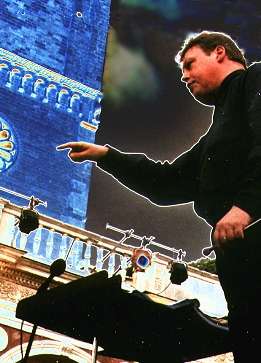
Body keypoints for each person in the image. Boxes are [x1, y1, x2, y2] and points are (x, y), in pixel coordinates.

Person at [57, 31, 261, 362]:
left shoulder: (255, 79)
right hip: (239, 255)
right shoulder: (215, 136)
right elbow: (165, 183)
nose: (184, 76)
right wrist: (106, 155)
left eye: (190, 64)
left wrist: (245, 207)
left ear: (220, 53)